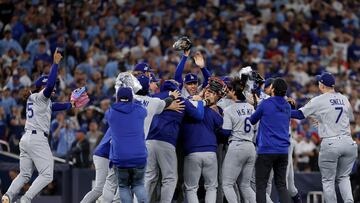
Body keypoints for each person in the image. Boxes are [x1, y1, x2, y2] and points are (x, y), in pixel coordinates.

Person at [1, 49, 86, 203]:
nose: (54, 88)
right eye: (49, 86)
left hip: (27, 138)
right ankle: (25, 200)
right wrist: (55, 63)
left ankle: (7, 196)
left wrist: (71, 104)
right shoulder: (40, 96)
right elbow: (51, 84)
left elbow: (57, 106)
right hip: (37, 139)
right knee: (47, 174)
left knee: (25, 174)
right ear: (43, 87)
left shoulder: (40, 100)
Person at [291, 72, 358, 203]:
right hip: (348, 142)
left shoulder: (319, 100)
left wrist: (280, 110)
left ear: (322, 85)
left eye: (319, 82)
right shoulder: (344, 98)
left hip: (331, 143)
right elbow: (349, 119)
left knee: (328, 180)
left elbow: (299, 114)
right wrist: (323, 121)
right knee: (344, 177)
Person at [145, 79, 205, 202]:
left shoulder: (154, 98)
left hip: (149, 141)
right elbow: (198, 116)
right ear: (175, 89)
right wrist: (199, 101)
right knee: (170, 178)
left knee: (149, 176)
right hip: (166, 141)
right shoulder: (180, 99)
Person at [181, 77, 227, 203]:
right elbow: (222, 127)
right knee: (211, 187)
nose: (207, 93)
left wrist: (201, 98)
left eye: (211, 92)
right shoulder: (214, 113)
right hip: (210, 153)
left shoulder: (189, 106)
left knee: (191, 188)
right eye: (207, 91)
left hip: (192, 153)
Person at [249, 78, 292, 203]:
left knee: (261, 186)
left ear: (272, 89)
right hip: (283, 151)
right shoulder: (287, 106)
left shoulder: (266, 103)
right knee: (281, 186)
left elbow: (252, 120)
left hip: (266, 150)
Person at [106, 87, 148, 203]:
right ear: (131, 98)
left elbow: (110, 112)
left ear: (117, 98)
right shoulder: (139, 110)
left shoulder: (111, 113)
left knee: (124, 187)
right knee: (138, 185)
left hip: (121, 158)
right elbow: (145, 111)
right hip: (139, 156)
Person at [221, 77, 257, 203]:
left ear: (232, 91)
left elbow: (225, 132)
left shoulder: (229, 110)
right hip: (250, 146)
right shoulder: (251, 108)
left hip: (237, 146)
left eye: (228, 89)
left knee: (227, 184)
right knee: (245, 186)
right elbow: (256, 129)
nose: (227, 92)